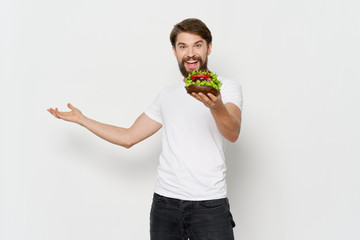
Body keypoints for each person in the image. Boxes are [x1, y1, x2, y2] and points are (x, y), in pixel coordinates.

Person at [48, 18, 243, 240]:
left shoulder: (226, 87)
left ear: (209, 47)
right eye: (183, 46)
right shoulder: (167, 95)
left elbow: (233, 132)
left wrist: (216, 106)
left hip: (209, 205)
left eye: (197, 45)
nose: (190, 53)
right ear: (174, 51)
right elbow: (129, 137)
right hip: (165, 204)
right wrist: (83, 119)